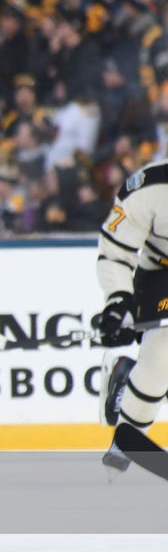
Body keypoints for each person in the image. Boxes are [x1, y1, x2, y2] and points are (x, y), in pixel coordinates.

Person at [93, 160, 168, 471]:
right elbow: (116, 253)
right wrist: (118, 302)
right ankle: (128, 439)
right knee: (162, 354)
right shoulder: (149, 187)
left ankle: (127, 375)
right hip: (162, 272)